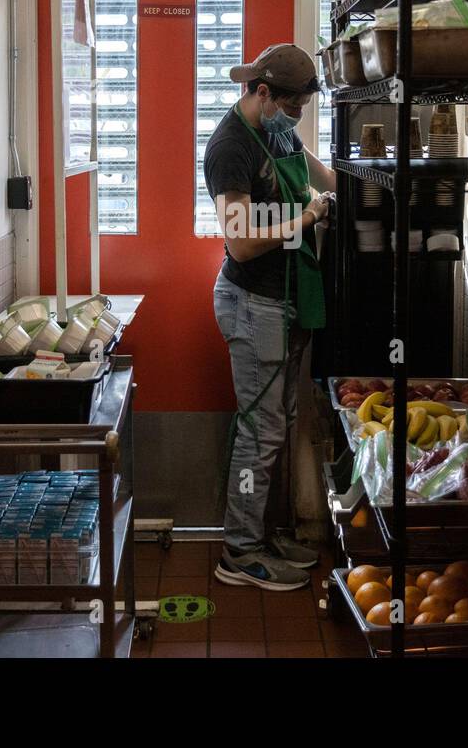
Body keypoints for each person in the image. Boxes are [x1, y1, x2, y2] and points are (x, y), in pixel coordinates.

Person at [204, 43, 336, 591]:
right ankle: (240, 552)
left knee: (277, 428)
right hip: (252, 303)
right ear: (263, 93)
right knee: (260, 436)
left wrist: (354, 184)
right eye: (294, 107)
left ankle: (262, 531)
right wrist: (306, 217)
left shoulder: (274, 128)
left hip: (281, 302)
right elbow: (239, 243)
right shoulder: (230, 148)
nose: (297, 117)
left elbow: (318, 173)